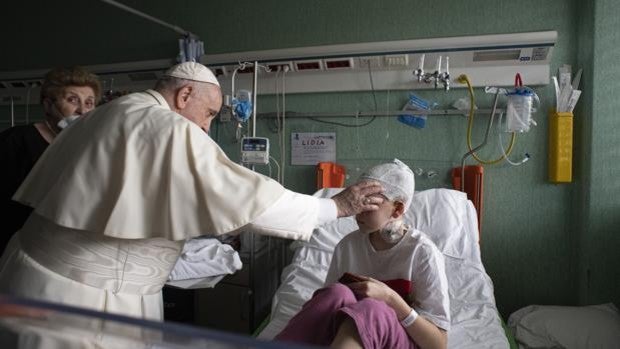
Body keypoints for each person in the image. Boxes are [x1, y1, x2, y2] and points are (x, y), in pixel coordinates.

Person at [0, 62, 384, 321]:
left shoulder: (112, 112)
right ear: (184, 96)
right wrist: (334, 206)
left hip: (40, 279)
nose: (205, 127)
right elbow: (247, 197)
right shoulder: (164, 124)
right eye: (209, 113)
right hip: (77, 299)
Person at [275, 159, 450, 349]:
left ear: (397, 209)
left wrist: (391, 299)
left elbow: (438, 344)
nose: (357, 212)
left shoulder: (422, 252)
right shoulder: (347, 246)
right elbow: (329, 312)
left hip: (398, 338)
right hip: (350, 333)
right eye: (357, 203)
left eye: (368, 204)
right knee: (335, 292)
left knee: (371, 308)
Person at [0, 66, 101, 254]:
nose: (82, 110)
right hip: (13, 243)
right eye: (72, 100)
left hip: (57, 246)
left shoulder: (88, 148)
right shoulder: (16, 140)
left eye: (89, 103)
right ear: (48, 105)